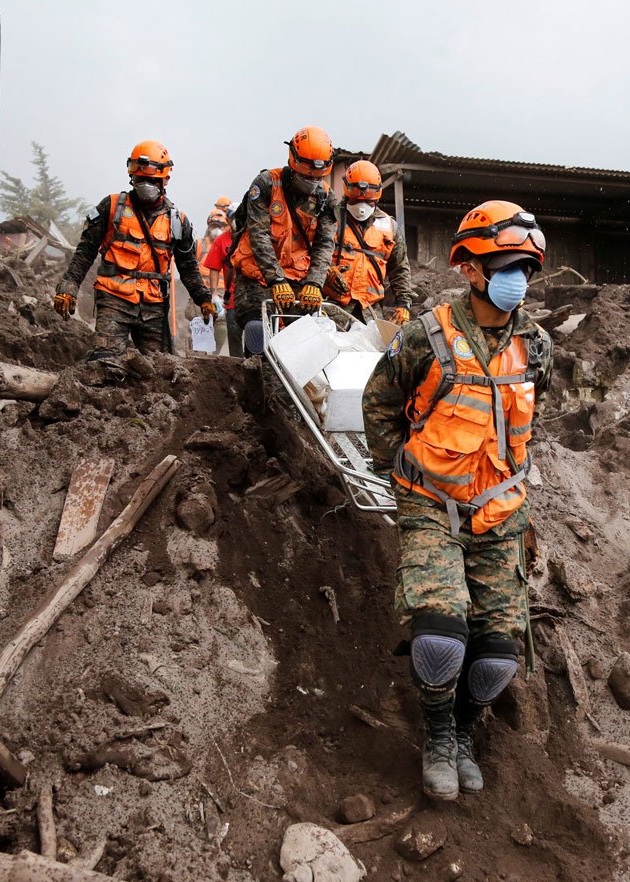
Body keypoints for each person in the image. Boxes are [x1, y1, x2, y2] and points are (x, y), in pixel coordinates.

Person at [361, 201, 551, 801]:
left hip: (500, 513)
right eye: (504, 263)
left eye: (525, 265)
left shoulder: (538, 347)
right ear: (469, 268)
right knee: (442, 638)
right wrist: (402, 465)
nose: (516, 277)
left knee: (497, 657)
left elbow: (525, 423)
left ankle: (466, 731)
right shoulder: (425, 336)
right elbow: (379, 404)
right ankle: (439, 735)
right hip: (431, 505)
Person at [54, 140, 212, 365]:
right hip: (114, 301)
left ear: (165, 179)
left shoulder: (177, 221)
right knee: (106, 361)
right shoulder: (110, 208)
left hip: (154, 307)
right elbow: (85, 251)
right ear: (132, 177)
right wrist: (68, 287)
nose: (146, 184)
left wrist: (203, 299)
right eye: (141, 179)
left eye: (152, 180)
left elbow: (187, 266)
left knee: (160, 367)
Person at [229, 126, 338, 351]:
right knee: (257, 329)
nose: (312, 181)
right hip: (257, 273)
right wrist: (276, 280)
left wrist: (315, 283)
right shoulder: (267, 184)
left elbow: (325, 243)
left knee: (303, 340)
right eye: (307, 176)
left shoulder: (325, 197)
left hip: (299, 277)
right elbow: (259, 235)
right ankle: (254, 377)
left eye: (317, 177)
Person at [325, 160, 415, 323]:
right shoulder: (330, 218)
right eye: (356, 200)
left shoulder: (389, 227)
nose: (361, 207)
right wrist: (325, 273)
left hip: (370, 314)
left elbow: (400, 268)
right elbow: (309, 254)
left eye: (367, 201)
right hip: (332, 310)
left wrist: (404, 304)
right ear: (347, 191)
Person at [201, 214, 241, 356]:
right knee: (200, 317)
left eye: (219, 225)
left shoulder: (254, 236)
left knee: (227, 327)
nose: (216, 229)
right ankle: (203, 352)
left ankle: (217, 350)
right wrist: (213, 294)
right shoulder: (203, 244)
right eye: (213, 226)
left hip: (232, 290)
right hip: (204, 290)